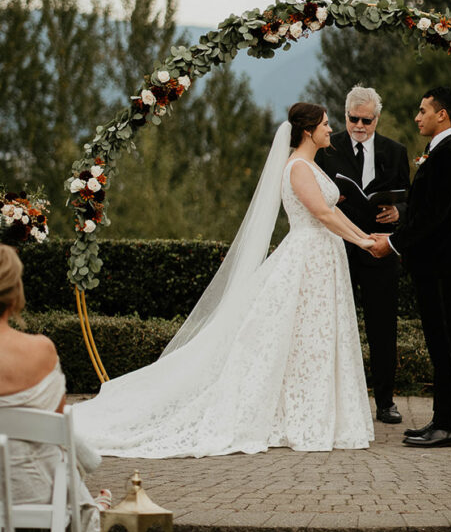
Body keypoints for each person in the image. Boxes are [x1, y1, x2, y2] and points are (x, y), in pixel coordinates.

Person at [73, 103, 376, 456]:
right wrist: (363, 242)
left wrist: (365, 238)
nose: (331, 129)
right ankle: (300, 416)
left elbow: (334, 211)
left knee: (312, 337)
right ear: (308, 130)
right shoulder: (297, 168)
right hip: (307, 259)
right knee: (303, 335)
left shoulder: (310, 165)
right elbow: (322, 213)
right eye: (325, 124)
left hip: (324, 259)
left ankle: (313, 411)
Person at [371, 86, 451, 448]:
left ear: (441, 114)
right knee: (442, 345)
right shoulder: (439, 150)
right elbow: (425, 207)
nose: (417, 117)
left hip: (441, 265)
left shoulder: (448, 155)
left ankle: (449, 427)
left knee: (445, 345)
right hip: (435, 264)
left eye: (423, 111)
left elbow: (434, 216)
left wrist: (393, 242)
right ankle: (443, 421)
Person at [0, 245, 100, 532]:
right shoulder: (41, 351)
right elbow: (53, 426)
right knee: (70, 462)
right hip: (38, 493)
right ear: (15, 294)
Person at [316, 85, 410, 424]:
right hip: (337, 247)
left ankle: (385, 402)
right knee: (332, 324)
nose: (359, 126)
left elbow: (411, 197)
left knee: (383, 327)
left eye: (366, 120)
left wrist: (399, 212)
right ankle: (329, 400)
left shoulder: (395, 151)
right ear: (345, 116)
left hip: (379, 248)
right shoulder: (327, 148)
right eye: (353, 119)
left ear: (377, 119)